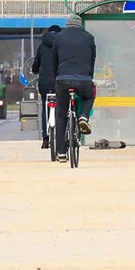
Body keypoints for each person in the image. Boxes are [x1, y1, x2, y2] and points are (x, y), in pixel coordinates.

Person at [51, 14, 96, 162]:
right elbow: (92, 59)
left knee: (60, 115)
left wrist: (56, 76)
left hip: (62, 79)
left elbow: (54, 60)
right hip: (83, 79)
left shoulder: (59, 37)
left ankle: (61, 153)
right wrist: (89, 76)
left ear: (67, 25)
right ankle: (83, 116)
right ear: (80, 25)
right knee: (89, 96)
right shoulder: (89, 37)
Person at [31, 24, 62, 149]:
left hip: (44, 83)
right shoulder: (62, 45)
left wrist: (35, 70)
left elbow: (36, 64)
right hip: (59, 81)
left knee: (45, 108)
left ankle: (45, 137)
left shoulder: (42, 46)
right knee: (62, 107)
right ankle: (61, 136)